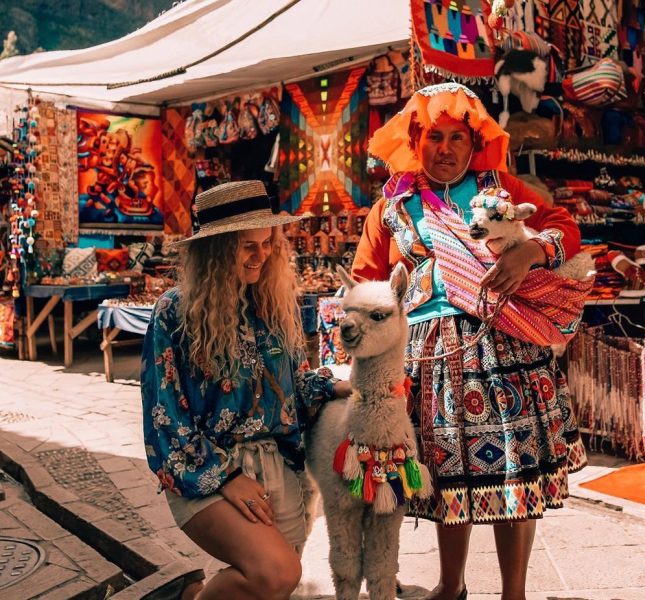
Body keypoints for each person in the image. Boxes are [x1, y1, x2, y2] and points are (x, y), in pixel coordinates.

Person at [352, 83, 587, 600]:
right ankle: (451, 585)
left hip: (503, 347)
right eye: (435, 136)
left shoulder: (500, 189)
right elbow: (362, 285)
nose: (446, 148)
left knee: (512, 473)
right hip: (427, 355)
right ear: (417, 140)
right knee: (444, 476)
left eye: (458, 136)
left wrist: (529, 254)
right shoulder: (390, 209)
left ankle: (514, 593)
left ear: (473, 142)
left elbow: (563, 227)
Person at [141, 180, 350, 600]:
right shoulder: (173, 313)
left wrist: (336, 386)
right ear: (215, 253)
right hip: (204, 470)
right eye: (247, 246)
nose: (262, 256)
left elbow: (295, 390)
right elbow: (164, 418)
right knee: (275, 573)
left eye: (267, 243)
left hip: (278, 465)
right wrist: (226, 477)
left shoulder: (272, 304)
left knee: (271, 587)